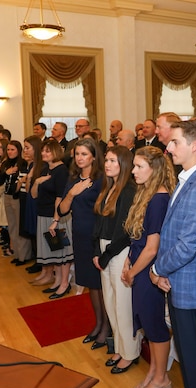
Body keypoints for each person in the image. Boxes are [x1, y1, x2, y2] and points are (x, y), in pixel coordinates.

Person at [150, 120, 196, 388]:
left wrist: (157, 268)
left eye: (175, 142)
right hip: (177, 279)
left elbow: (188, 244)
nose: (168, 146)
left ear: (194, 146)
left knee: (193, 358)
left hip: (188, 285)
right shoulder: (186, 178)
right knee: (188, 355)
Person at [121, 146, 176, 388]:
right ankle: (154, 372)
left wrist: (132, 272)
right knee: (148, 326)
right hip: (139, 265)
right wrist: (128, 262)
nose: (133, 171)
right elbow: (138, 240)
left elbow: (152, 248)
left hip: (147, 271)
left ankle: (162, 378)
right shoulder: (148, 194)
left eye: (139, 166)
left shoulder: (159, 199)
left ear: (154, 170)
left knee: (155, 326)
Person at [58, 138, 110, 346]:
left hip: (96, 237)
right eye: (77, 154)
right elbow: (62, 210)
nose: (79, 158)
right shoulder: (73, 179)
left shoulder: (101, 180)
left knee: (100, 285)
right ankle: (98, 324)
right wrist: (72, 193)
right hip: (79, 236)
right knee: (90, 284)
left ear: (94, 157)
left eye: (84, 154)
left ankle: (106, 328)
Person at [92, 146, 140, 373]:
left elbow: (126, 230)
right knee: (110, 303)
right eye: (107, 161)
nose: (108, 164)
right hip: (105, 249)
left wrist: (105, 255)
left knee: (122, 305)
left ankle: (130, 353)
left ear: (124, 163)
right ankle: (120, 347)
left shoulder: (128, 190)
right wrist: (96, 251)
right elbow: (99, 223)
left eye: (113, 161)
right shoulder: (109, 187)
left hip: (118, 251)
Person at [30, 140, 74, 299]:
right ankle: (57, 281)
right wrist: (36, 181)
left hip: (56, 217)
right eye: (43, 151)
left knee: (62, 252)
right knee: (54, 251)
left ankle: (64, 283)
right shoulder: (45, 169)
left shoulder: (62, 171)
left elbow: (59, 199)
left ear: (56, 152)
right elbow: (34, 195)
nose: (43, 154)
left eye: (47, 151)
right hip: (43, 214)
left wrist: (55, 220)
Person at [0, 140, 31, 265]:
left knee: (19, 226)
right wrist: (6, 173)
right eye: (8, 150)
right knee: (11, 226)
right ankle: (17, 254)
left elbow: (24, 180)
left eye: (13, 149)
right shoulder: (6, 163)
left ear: (19, 150)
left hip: (18, 197)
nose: (10, 152)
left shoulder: (22, 163)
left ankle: (24, 256)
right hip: (7, 196)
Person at [22, 136, 45, 275]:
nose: (25, 150)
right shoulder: (31, 165)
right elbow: (28, 188)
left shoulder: (42, 166)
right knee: (33, 233)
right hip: (30, 200)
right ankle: (38, 259)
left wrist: (30, 177)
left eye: (27, 147)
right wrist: (29, 176)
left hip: (38, 202)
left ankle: (42, 262)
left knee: (40, 233)